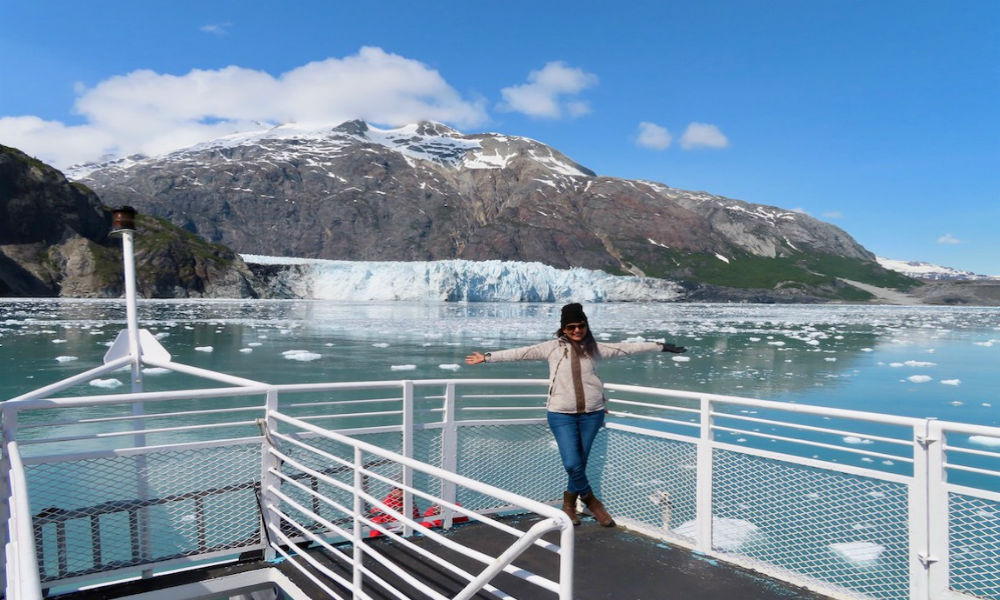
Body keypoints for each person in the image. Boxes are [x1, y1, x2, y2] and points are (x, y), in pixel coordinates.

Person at [465, 302, 687, 527]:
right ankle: (591, 501)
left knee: (579, 463)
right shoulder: (552, 347)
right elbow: (521, 353)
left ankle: (569, 506)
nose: (577, 331)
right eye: (571, 327)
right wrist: (487, 357)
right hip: (561, 414)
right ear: (563, 329)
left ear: (586, 326)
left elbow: (627, 348)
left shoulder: (594, 348)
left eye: (580, 326)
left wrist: (661, 347)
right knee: (572, 464)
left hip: (593, 414)